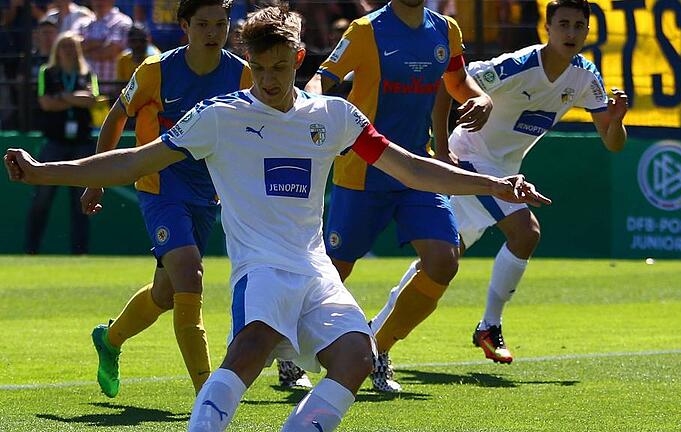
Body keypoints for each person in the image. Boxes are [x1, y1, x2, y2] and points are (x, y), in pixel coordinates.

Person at [4, 8, 550, 431]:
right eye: (260, 68)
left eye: (280, 67)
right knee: (254, 343)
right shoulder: (219, 118)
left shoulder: (333, 115)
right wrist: (44, 171)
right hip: (260, 268)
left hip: (314, 269)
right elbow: (133, 160)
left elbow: (411, 169)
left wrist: (495, 184)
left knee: (357, 358)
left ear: (298, 60)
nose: (268, 80)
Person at [391, 0, 629, 364]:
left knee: (443, 258)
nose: (571, 32)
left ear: (586, 32)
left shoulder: (585, 77)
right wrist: (441, 149)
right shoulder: (518, 65)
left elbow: (613, 144)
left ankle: (376, 333)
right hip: (469, 157)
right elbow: (447, 84)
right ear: (547, 28)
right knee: (525, 231)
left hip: (504, 169)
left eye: (579, 26)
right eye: (563, 24)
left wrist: (617, 121)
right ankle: (489, 325)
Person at [302, 0, 493, 393]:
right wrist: (310, 106)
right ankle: (291, 352)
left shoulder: (446, 30)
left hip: (416, 171)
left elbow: (458, 84)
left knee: (443, 261)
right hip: (363, 169)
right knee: (333, 271)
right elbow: (324, 77)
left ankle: (379, 349)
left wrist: (480, 98)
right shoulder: (365, 29)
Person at [78, 0, 252, 399]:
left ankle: (111, 338)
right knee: (190, 273)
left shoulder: (240, 74)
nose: (213, 33)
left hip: (208, 193)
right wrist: (96, 180)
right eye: (204, 24)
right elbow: (117, 117)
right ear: (184, 26)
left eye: (221, 24)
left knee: (166, 293)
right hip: (160, 187)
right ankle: (207, 396)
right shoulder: (155, 71)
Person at [24, 31, 99, 255]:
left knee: (81, 202)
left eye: (72, 46)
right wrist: (75, 98)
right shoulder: (47, 73)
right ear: (57, 50)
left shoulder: (87, 73)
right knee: (42, 199)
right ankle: (31, 250)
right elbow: (46, 103)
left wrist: (63, 97)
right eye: (64, 46)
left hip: (81, 144)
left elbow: (92, 100)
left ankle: (79, 252)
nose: (68, 51)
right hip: (54, 143)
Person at [75, 0, 133, 96]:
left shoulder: (123, 22)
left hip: (113, 91)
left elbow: (112, 50)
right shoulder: (81, 23)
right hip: (85, 93)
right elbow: (74, 48)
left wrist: (86, 50)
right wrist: (103, 41)